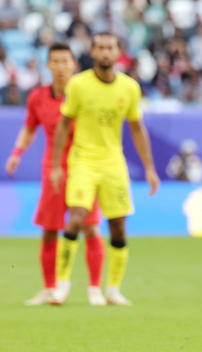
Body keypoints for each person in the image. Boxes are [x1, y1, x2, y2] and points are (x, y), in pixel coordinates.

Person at [50, 32, 160, 306]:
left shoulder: (129, 88)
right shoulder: (78, 85)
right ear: (93, 51)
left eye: (110, 47)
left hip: (113, 163)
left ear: (118, 51)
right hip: (83, 160)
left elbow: (137, 128)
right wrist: (55, 165)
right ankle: (61, 287)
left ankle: (112, 290)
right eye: (100, 47)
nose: (105, 52)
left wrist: (149, 168)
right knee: (76, 218)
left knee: (119, 228)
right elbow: (63, 125)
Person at [5, 43, 105, 306]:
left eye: (65, 61)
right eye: (55, 62)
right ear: (48, 65)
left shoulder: (85, 92)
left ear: (74, 64)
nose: (61, 67)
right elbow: (29, 128)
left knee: (90, 226)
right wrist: (16, 153)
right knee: (50, 229)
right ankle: (51, 289)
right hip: (53, 169)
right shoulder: (37, 96)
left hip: (84, 165)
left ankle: (95, 289)